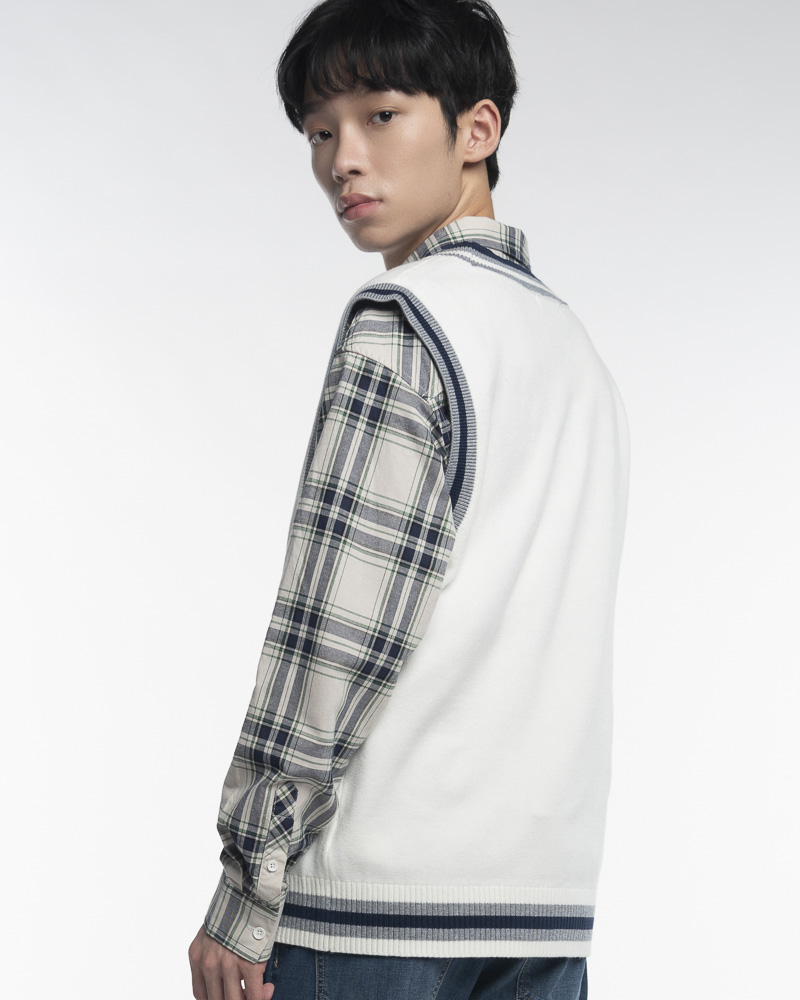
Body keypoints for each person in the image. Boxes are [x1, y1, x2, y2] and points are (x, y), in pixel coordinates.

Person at [188, 1, 630, 997]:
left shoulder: (405, 322)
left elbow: (334, 633)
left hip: (374, 913)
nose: (342, 160)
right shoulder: (575, 355)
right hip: (543, 906)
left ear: (477, 129)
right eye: (318, 132)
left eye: (380, 115)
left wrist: (248, 885)